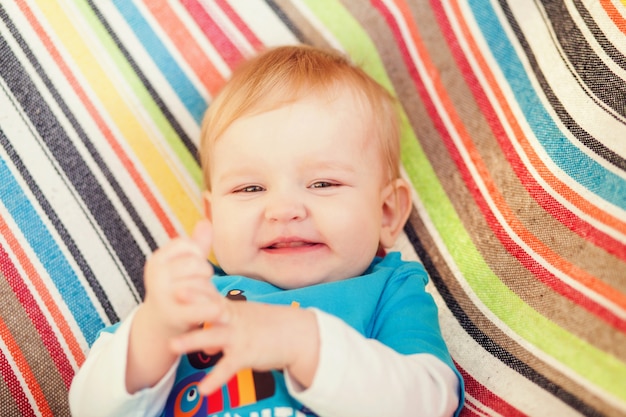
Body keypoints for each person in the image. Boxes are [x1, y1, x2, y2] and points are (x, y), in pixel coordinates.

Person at [69, 44, 464, 417]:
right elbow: (88, 407)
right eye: (250, 189)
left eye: (323, 183)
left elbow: (431, 402)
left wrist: (306, 343)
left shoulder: (389, 291)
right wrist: (155, 329)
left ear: (386, 212)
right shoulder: (194, 296)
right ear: (213, 214)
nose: (283, 210)